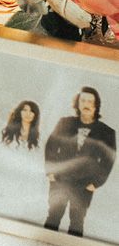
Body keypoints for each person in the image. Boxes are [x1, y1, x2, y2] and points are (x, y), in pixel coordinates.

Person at [44, 87, 116, 237]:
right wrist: (51, 172)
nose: (86, 104)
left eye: (90, 101)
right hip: (60, 179)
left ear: (96, 105)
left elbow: (108, 161)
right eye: (83, 100)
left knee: (77, 223)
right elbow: (51, 146)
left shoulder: (107, 132)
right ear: (77, 103)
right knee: (53, 217)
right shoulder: (65, 123)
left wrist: (95, 183)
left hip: (85, 184)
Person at [0, 101, 45, 224]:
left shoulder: (38, 139)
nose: (28, 113)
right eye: (25, 110)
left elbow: (38, 165)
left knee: (10, 220)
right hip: (1, 180)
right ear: (19, 112)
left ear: (35, 116)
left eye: (32, 111)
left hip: (20, 186)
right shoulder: (7, 131)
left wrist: (32, 189)